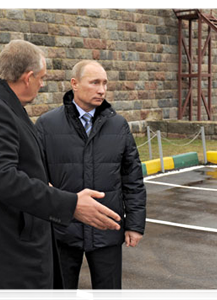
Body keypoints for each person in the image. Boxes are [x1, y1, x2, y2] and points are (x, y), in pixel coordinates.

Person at [0, 41, 122, 300]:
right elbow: (2, 180)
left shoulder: (0, 105)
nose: (43, 85)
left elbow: (17, 170)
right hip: (3, 263)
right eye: (41, 79)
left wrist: (51, 190)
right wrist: (71, 204)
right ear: (28, 77)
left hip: (8, 259)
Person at [36, 60, 147, 300]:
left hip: (107, 227)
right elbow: (37, 179)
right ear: (74, 84)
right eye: (95, 82)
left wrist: (135, 224)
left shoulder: (118, 125)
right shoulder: (46, 125)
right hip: (62, 231)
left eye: (105, 83)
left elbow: (133, 178)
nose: (102, 90)